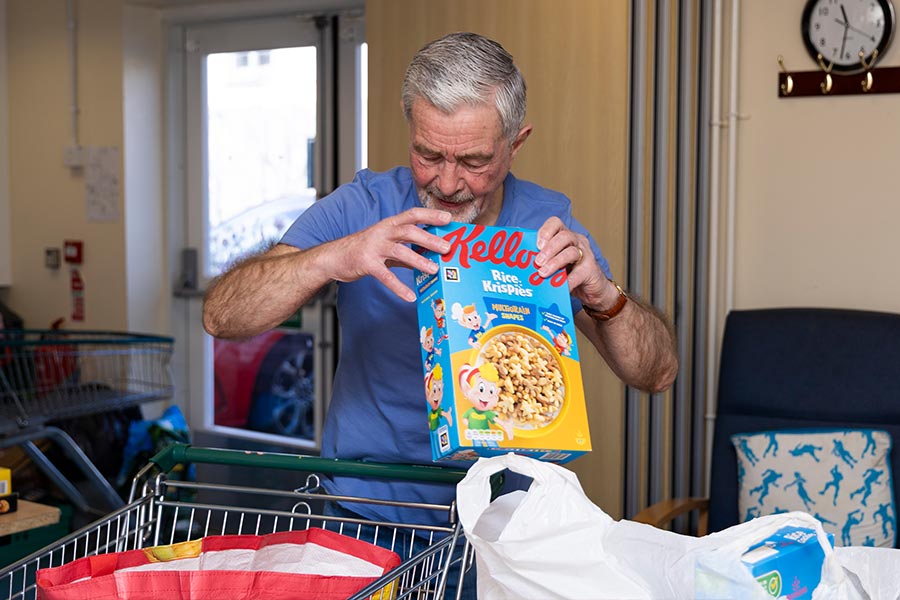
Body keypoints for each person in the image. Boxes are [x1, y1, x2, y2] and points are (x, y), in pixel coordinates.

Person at [203, 30, 678, 594]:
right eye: (429, 154)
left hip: (503, 531)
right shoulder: (364, 205)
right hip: (362, 514)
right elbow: (222, 315)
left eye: (474, 161)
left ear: (515, 143)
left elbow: (658, 373)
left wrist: (605, 296)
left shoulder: (547, 223)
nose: (448, 183)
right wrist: (336, 256)